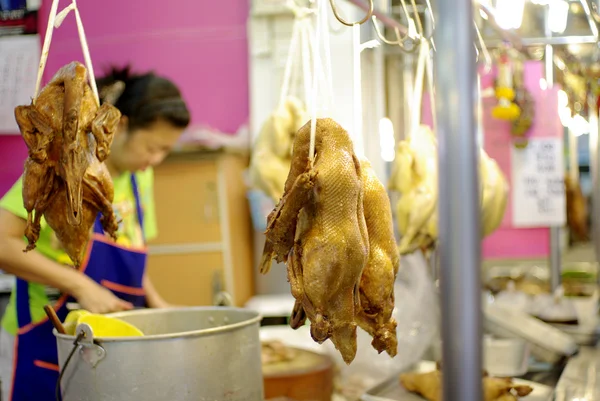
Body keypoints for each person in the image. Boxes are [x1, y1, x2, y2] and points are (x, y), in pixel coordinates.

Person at [0, 66, 191, 401]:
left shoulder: (137, 177)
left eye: (165, 151)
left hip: (107, 346)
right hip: (42, 338)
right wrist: (80, 285)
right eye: (152, 148)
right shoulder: (63, 169)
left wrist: (156, 304)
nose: (156, 160)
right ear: (123, 126)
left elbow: (128, 248)